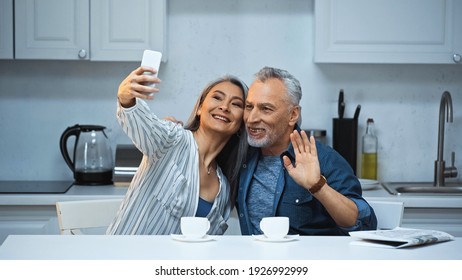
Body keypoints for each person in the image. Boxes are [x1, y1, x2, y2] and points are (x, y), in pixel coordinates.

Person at [107, 66, 248, 235]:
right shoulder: (172, 138)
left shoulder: (224, 190)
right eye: (217, 98)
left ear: (241, 124)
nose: (225, 107)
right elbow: (141, 123)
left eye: (236, 104)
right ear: (199, 109)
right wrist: (126, 99)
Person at [236, 66, 377, 236]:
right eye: (249, 107)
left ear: (293, 115)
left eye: (266, 109)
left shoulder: (324, 159)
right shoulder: (241, 158)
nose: (251, 119)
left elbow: (363, 224)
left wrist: (318, 187)